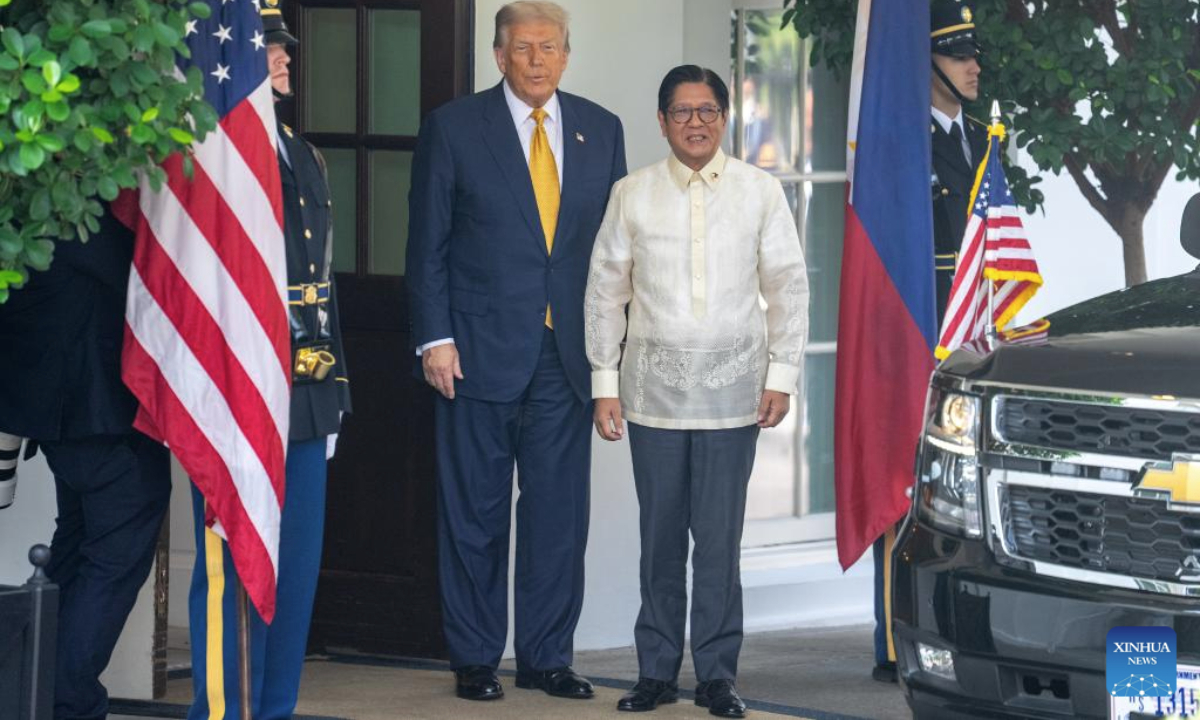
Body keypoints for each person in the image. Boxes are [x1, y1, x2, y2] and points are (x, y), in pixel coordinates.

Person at [406, 0, 626, 703]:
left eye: (549, 47)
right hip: (473, 354)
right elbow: (427, 246)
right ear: (497, 55)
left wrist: (610, 360)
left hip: (567, 359)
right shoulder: (454, 127)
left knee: (558, 518)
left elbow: (613, 257)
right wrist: (434, 339)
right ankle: (474, 657)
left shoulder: (601, 128)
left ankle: (546, 657)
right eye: (523, 48)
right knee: (474, 513)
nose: (537, 60)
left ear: (567, 54)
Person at [586, 65, 809, 718]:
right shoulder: (633, 194)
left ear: (725, 117)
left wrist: (782, 377)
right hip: (650, 397)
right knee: (659, 543)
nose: (695, 123)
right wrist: (605, 382)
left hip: (735, 397)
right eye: (682, 112)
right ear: (661, 122)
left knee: (718, 545)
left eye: (708, 110)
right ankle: (655, 672)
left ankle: (717, 676)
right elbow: (605, 292)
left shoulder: (759, 192)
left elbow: (788, 288)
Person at [185, 1, 351, 718]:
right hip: (241, 394)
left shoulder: (304, 155)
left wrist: (336, 387)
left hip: (307, 392)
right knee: (232, 574)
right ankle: (220, 712)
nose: (284, 58)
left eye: (284, 47)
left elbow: (322, 281)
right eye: (269, 47)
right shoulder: (213, 157)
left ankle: (275, 708)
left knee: (296, 573)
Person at [0, 208, 172, 720]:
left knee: (75, 550)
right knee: (113, 558)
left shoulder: (23, 206)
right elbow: (145, 279)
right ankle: (65, 700)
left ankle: (34, 691)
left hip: (62, 414)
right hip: (98, 412)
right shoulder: (71, 212)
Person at [872, 0, 987, 685]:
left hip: (972, 332)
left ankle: (958, 630)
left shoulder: (980, 136)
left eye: (974, 54)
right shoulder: (903, 140)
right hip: (920, 329)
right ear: (930, 67)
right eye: (960, 55)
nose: (975, 67)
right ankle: (892, 637)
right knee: (906, 484)